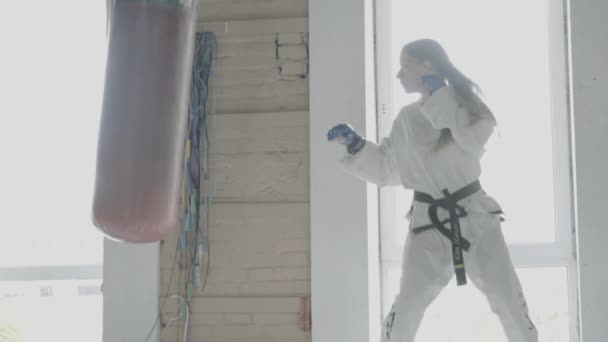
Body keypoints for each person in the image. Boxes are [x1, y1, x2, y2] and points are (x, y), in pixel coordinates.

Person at [327, 39, 538, 342]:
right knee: (406, 313)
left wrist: (439, 96)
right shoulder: (407, 119)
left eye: (406, 66)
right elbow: (389, 169)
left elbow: (470, 140)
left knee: (509, 303)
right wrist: (357, 146)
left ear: (428, 65)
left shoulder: (469, 108)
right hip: (427, 224)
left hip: (476, 218)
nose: (400, 75)